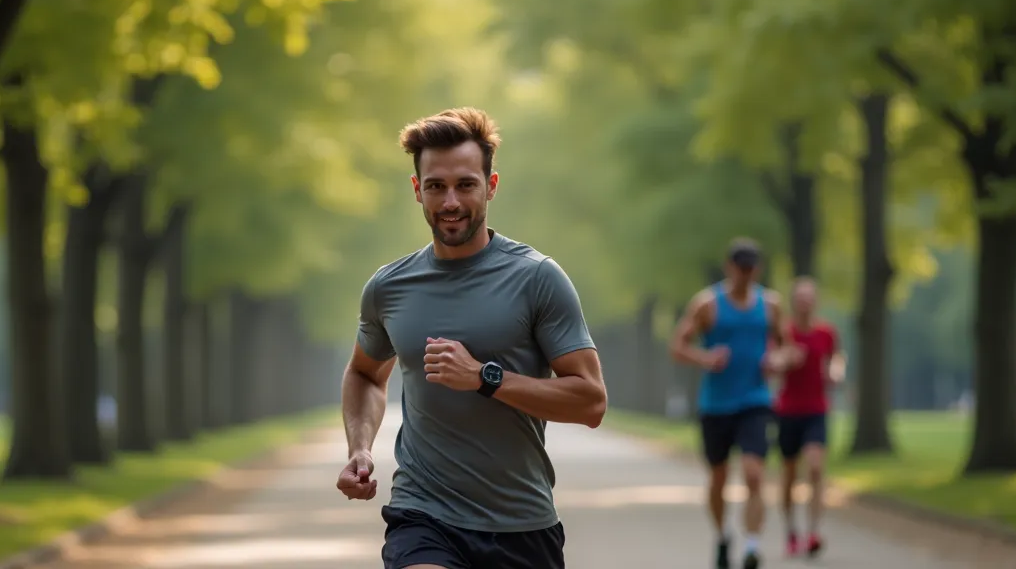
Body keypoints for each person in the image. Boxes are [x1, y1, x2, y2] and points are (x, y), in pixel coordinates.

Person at [336, 107, 609, 569]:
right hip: (423, 513)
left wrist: (485, 377)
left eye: (466, 184)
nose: (450, 202)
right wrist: (359, 449)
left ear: (492, 186)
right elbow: (364, 373)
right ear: (417, 189)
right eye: (437, 186)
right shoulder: (389, 286)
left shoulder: (537, 278)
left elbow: (590, 402)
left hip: (520, 524)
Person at [670, 238, 795, 569]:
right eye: (740, 268)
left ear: (758, 269)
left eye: (751, 268)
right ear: (729, 268)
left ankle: (753, 546)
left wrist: (777, 361)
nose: (745, 275)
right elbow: (678, 346)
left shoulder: (770, 305)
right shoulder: (707, 304)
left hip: (755, 400)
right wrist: (706, 358)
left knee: (755, 474)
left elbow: (788, 348)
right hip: (716, 405)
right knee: (719, 477)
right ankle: (723, 535)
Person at [775, 276, 845, 558]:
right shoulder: (784, 331)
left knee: (815, 469)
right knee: (790, 474)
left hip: (816, 409)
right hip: (788, 410)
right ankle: (791, 532)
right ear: (794, 301)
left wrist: (836, 372)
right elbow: (772, 360)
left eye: (809, 297)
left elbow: (837, 357)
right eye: (800, 297)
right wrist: (786, 359)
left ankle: (813, 532)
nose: (805, 302)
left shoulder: (826, 332)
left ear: (815, 301)